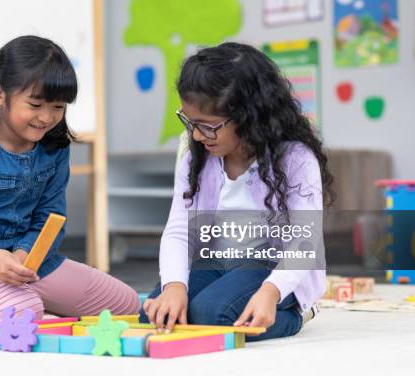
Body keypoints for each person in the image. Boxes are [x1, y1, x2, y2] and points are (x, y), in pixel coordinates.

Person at [0, 35, 139, 334]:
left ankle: (14, 300)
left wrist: (23, 257)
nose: (47, 117)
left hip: (30, 265)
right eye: (35, 104)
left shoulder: (55, 148)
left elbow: (50, 220)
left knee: (128, 306)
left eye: (58, 107)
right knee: (26, 314)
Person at [141, 42, 334, 340]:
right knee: (154, 313)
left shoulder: (295, 159)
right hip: (216, 263)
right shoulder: (197, 154)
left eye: (208, 126)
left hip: (273, 270)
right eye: (189, 122)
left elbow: (303, 241)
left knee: (213, 315)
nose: (195, 134)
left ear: (249, 116)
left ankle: (296, 315)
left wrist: (272, 291)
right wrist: (174, 286)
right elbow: (180, 228)